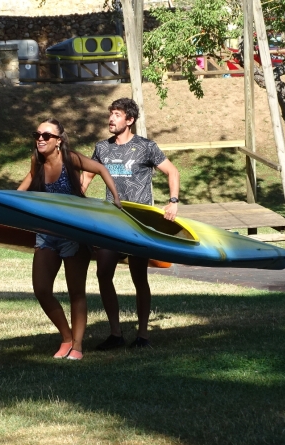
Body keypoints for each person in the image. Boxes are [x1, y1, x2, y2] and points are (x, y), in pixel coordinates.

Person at [18, 118, 122, 361]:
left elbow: (101, 169)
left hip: (74, 234)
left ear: (58, 141)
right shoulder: (37, 162)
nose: (40, 139)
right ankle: (65, 337)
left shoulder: (70, 159)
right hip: (46, 234)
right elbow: (21, 190)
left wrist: (115, 199)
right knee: (41, 289)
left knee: (76, 292)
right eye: (37, 134)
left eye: (46, 135)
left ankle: (77, 346)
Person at [83, 98, 180, 350]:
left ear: (130, 120)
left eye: (117, 114)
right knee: (103, 273)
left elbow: (172, 172)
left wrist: (173, 201)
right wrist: (76, 198)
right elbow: (86, 178)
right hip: (111, 221)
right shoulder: (102, 148)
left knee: (139, 277)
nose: (111, 119)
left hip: (138, 222)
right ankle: (116, 334)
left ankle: (143, 335)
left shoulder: (146, 147)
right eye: (110, 114)